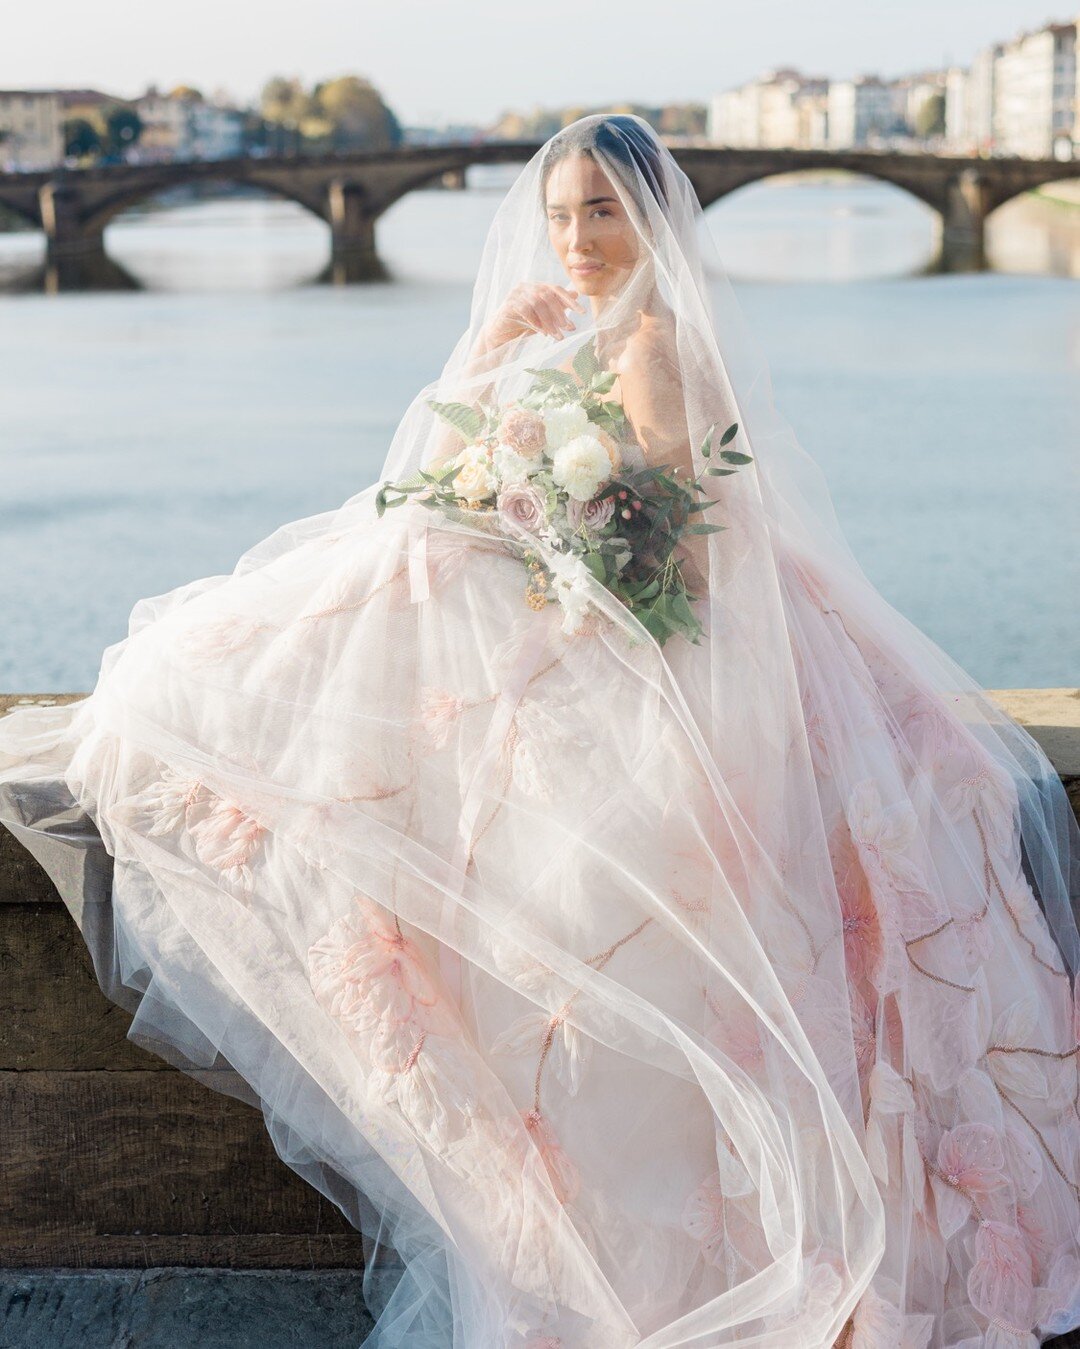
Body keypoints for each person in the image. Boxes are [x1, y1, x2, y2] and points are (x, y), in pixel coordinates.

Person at [1, 113, 1077, 1349]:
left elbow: (671, 556)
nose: (573, 238)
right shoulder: (598, 330)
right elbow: (532, 484)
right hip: (625, 601)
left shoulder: (660, 346)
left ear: (653, 220)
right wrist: (505, 424)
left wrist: (544, 528)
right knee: (412, 565)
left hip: (672, 637)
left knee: (423, 612)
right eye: (562, 213)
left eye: (601, 213)